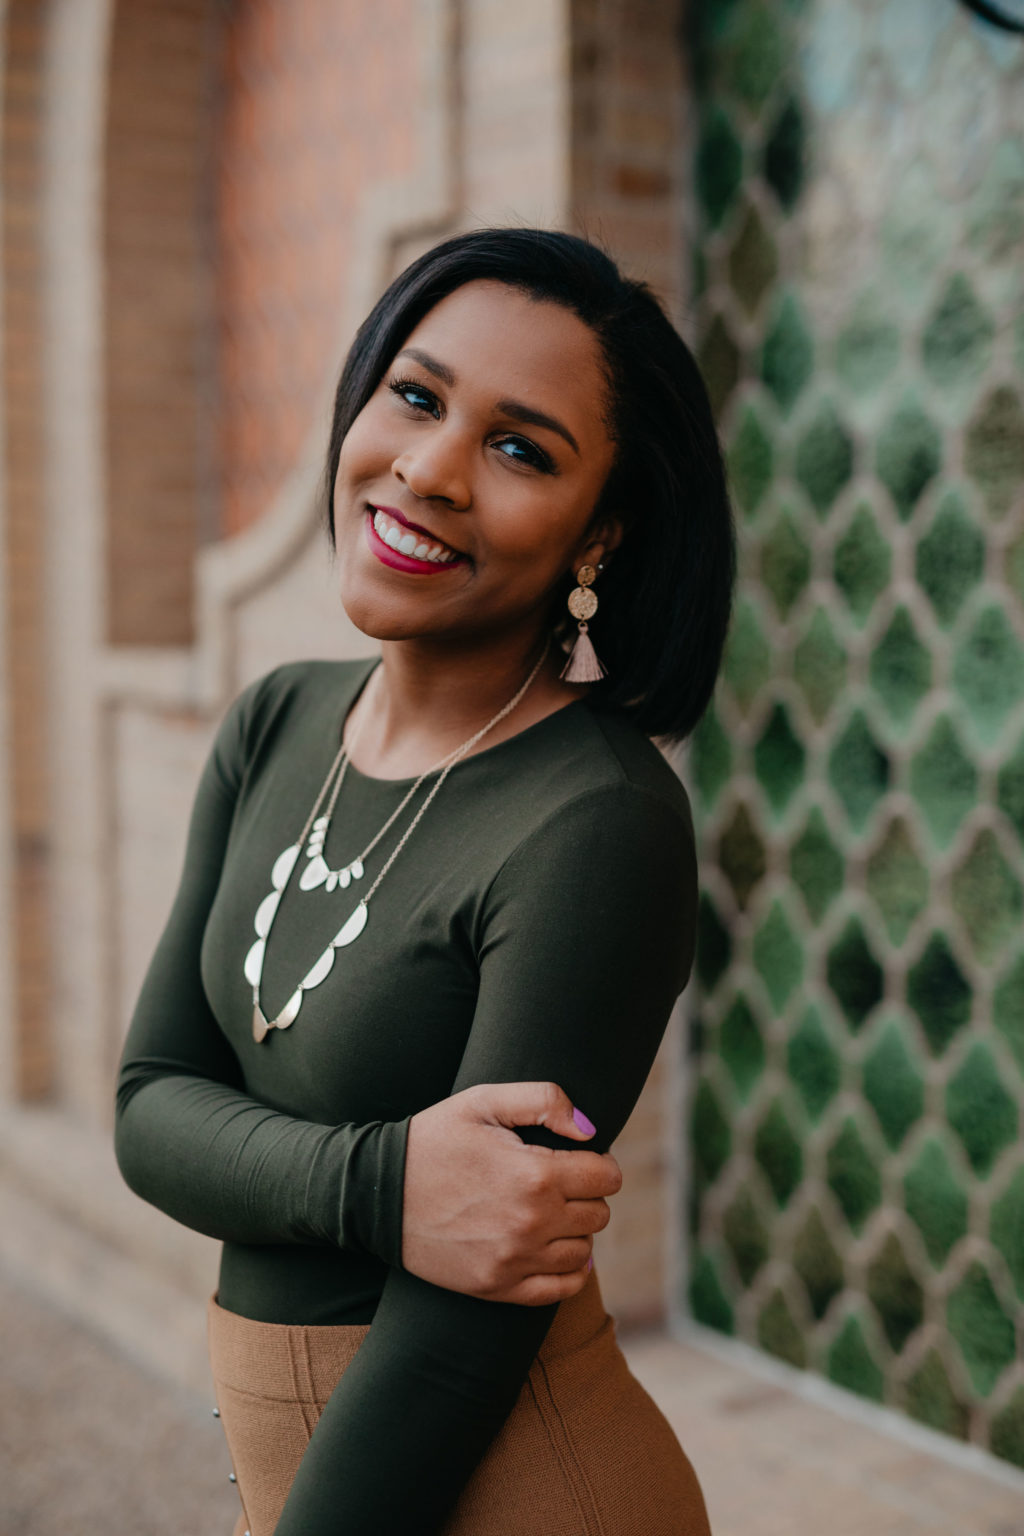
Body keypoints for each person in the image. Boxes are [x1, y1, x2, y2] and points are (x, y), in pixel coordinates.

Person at [114, 227, 734, 1535]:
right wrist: (387, 1185)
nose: (430, 469)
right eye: (418, 394)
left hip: (507, 1490)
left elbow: (463, 1332)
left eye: (522, 449)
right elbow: (146, 1109)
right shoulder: (277, 723)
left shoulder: (600, 823)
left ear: (601, 533)